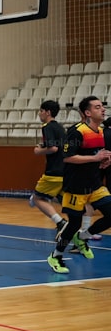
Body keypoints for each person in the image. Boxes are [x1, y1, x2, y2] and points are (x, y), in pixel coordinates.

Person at [47, 95, 111, 273]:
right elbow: (68, 157)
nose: (103, 109)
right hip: (76, 186)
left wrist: (104, 160)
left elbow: (96, 154)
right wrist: (95, 158)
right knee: (73, 223)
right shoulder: (77, 131)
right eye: (98, 107)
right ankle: (56, 256)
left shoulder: (99, 131)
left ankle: (83, 237)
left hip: (95, 184)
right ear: (88, 112)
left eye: (102, 106)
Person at [29, 100, 68, 232]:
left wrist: (38, 151)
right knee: (67, 204)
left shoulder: (47, 126)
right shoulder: (60, 128)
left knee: (37, 198)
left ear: (48, 112)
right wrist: (43, 144)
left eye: (41, 111)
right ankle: (76, 233)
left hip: (54, 172)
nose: (39, 114)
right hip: (65, 171)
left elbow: (53, 148)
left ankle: (60, 222)